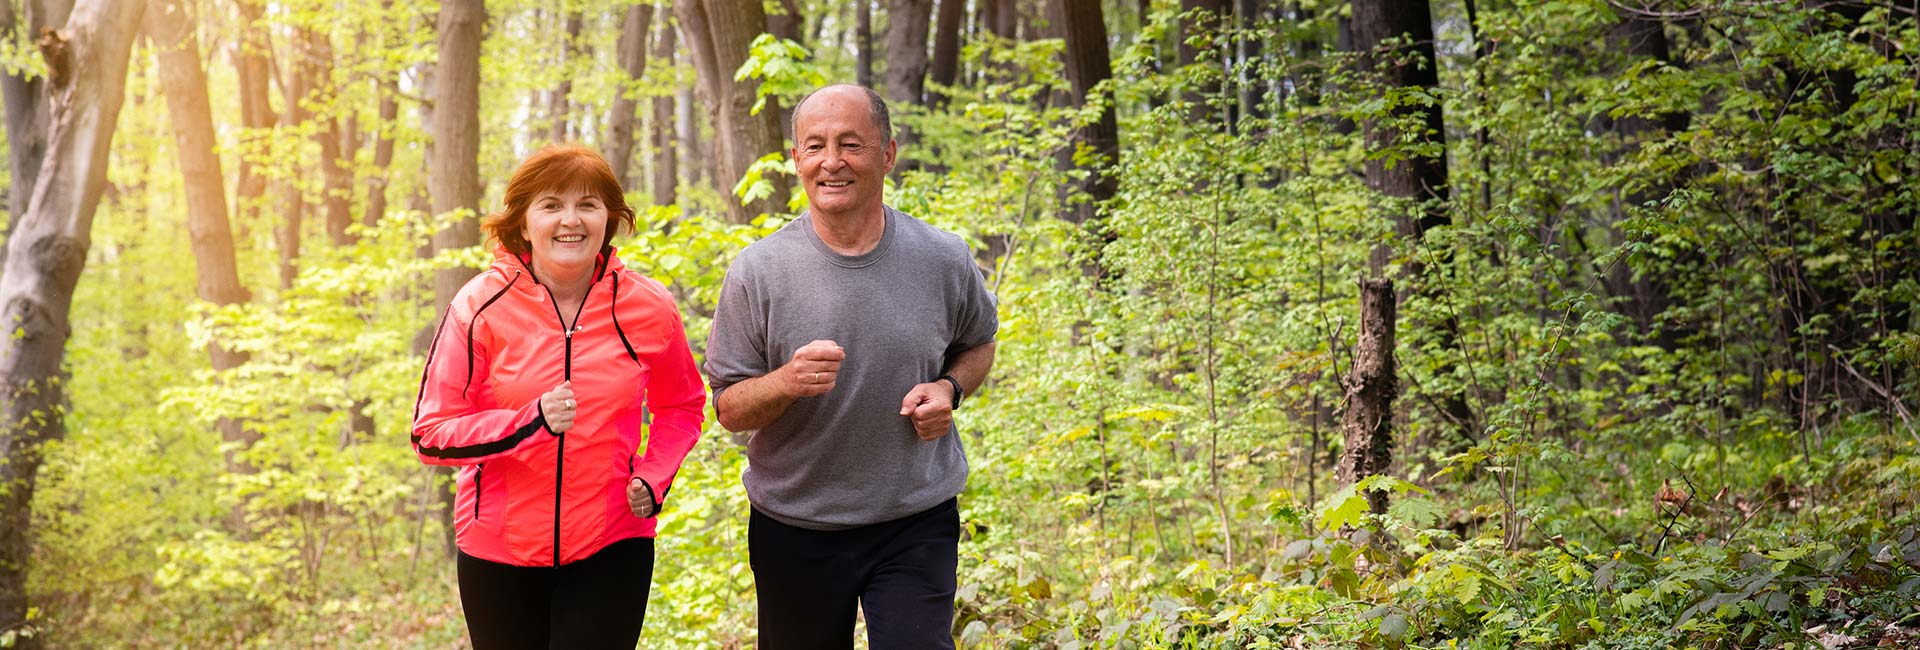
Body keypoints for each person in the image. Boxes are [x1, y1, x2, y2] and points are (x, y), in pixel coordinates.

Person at [703, 84, 999, 649]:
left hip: (915, 518)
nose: (831, 161)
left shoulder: (942, 257)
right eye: (815, 147)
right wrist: (786, 382)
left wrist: (949, 387)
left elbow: (979, 343)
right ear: (796, 161)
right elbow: (728, 409)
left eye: (851, 144)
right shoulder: (757, 272)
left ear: (887, 153)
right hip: (796, 525)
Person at [411, 144, 705, 649]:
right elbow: (430, 434)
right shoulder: (480, 305)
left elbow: (682, 406)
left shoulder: (649, 307)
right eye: (551, 205)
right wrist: (530, 422)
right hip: (498, 553)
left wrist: (654, 477)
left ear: (609, 219)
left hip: (612, 545)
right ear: (524, 224)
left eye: (588, 204)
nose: (571, 220)